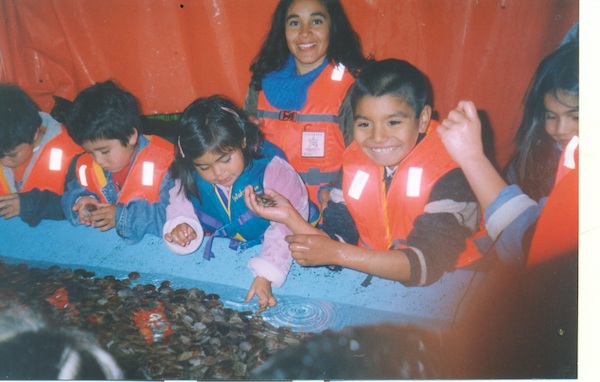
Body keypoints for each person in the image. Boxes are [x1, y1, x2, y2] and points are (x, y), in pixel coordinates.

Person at [245, 59, 481, 286]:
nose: (377, 138)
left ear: (423, 119)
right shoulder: (355, 161)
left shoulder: (451, 169)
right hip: (381, 280)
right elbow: (336, 239)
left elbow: (425, 264)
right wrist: (288, 215)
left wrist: (338, 254)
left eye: (393, 123)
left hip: (458, 287)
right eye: (365, 124)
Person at [163, 96, 313, 312]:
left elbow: (285, 228)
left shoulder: (274, 172)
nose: (218, 173)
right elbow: (180, 206)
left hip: (275, 244)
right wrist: (181, 225)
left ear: (242, 141)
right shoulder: (189, 176)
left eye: (225, 160)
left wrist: (266, 274)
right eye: (204, 167)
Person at [437, 42, 578, 266]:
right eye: (551, 116)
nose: (561, 130)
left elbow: (533, 247)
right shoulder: (536, 157)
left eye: (577, 116)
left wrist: (472, 157)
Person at [244, 0, 369, 207]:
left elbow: (365, 160)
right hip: (264, 215)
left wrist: (336, 200)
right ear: (282, 30)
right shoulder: (260, 83)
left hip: (325, 218)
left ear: (332, 26)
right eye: (294, 23)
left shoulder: (353, 87)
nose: (305, 32)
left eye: (316, 21)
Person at [61, 81, 175, 244]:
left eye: (105, 151)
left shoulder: (167, 163)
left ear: (131, 136)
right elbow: (68, 195)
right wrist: (81, 201)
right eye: (90, 152)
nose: (98, 160)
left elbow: (174, 218)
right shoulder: (85, 166)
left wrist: (123, 217)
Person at [0, 83, 82, 227]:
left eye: (12, 155)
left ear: (34, 134)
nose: (5, 162)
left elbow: (81, 205)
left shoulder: (73, 153)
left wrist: (31, 205)